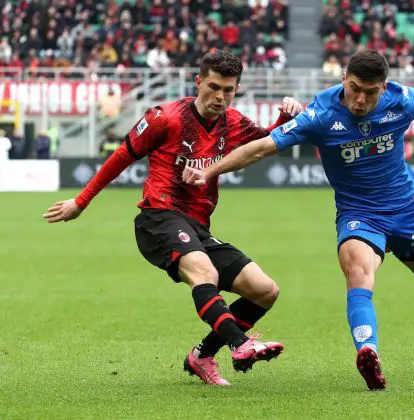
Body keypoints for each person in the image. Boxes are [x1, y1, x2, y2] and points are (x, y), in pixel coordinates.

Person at [181, 49, 414, 391]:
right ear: (344, 78)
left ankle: (394, 261)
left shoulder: (402, 100)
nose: (361, 99)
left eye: (371, 92)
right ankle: (368, 351)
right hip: (359, 215)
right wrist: (211, 170)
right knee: (358, 272)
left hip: (409, 211)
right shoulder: (321, 113)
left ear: (384, 87)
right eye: (355, 88)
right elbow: (263, 146)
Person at [42, 51, 303, 386]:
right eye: (213, 87)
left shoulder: (234, 122)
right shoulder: (165, 117)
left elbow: (265, 142)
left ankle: (203, 356)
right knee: (204, 272)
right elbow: (122, 156)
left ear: (236, 89)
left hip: (197, 227)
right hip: (158, 218)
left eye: (228, 89)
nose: (219, 97)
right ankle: (241, 344)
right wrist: (81, 201)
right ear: (198, 82)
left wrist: (284, 117)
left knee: (264, 290)